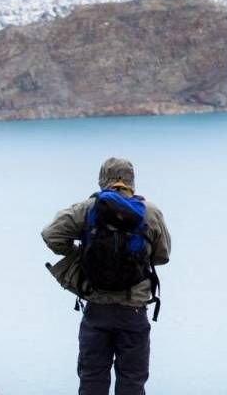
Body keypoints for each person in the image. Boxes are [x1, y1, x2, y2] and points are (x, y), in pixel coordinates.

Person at [42, 157, 171, 395]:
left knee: (92, 380)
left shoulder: (88, 208)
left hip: (97, 311)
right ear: (131, 181)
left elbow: (51, 235)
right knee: (132, 382)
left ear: (103, 180)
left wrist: (80, 253)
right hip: (133, 312)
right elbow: (163, 256)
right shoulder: (150, 213)